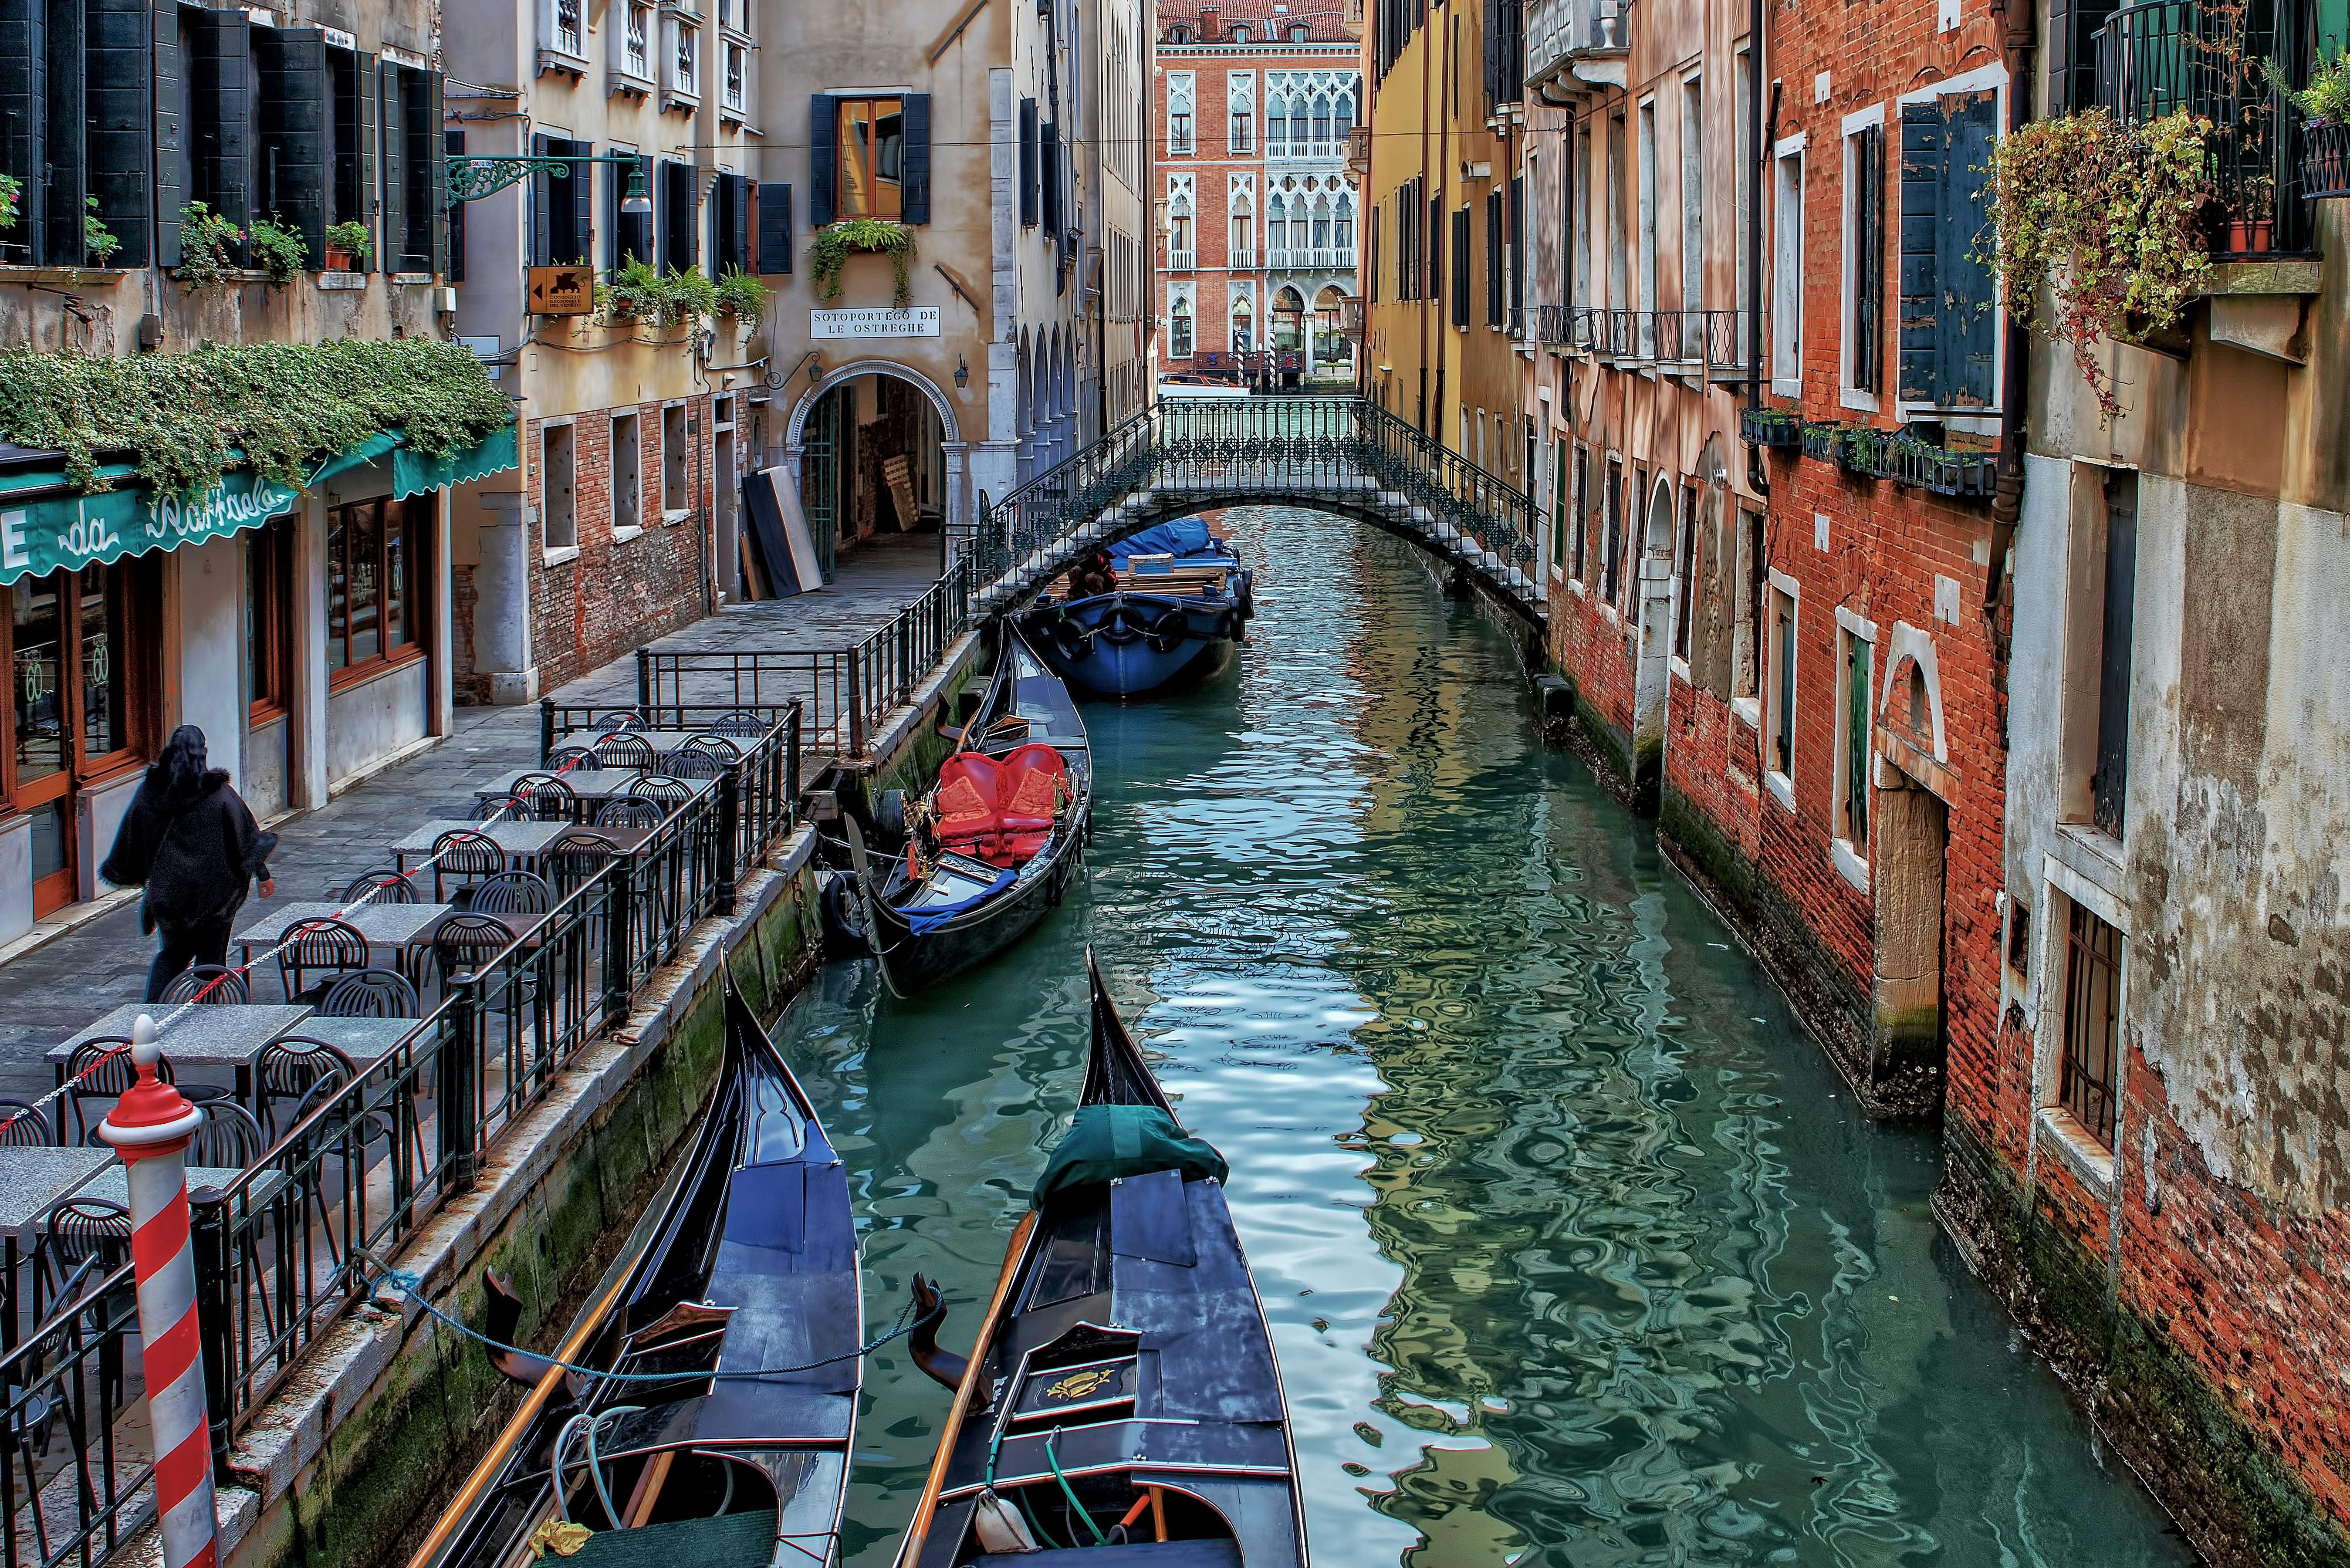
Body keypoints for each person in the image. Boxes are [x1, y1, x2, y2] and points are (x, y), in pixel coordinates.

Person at [100, 726, 277, 1003]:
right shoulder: (220, 795)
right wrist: (262, 875)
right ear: (202, 754)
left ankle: (153, 1015)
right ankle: (205, 1023)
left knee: (172, 955)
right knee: (211, 959)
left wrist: (139, 877)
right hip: (215, 899)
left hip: (169, 897)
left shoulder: (150, 793)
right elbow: (246, 839)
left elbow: (132, 836)